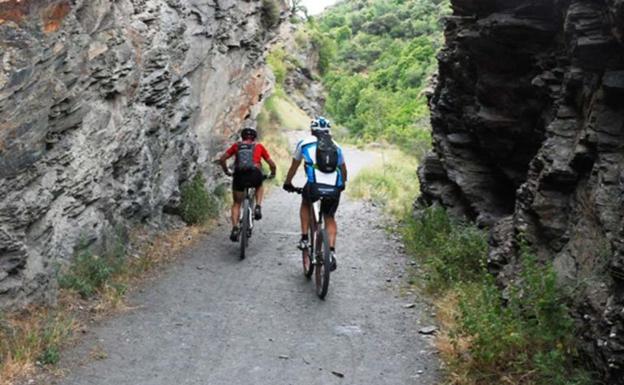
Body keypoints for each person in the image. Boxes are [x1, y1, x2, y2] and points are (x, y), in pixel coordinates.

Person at [282, 117, 347, 271]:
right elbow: (344, 170)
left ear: (312, 130)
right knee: (329, 217)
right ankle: (331, 252)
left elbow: (294, 167)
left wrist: (288, 182)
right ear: (328, 131)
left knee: (306, 202)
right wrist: (342, 184)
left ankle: (305, 238)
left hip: (314, 186)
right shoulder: (336, 146)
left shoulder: (304, 143)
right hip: (334, 187)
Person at [219, 127, 276, 242]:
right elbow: (271, 164)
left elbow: (222, 159)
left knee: (236, 203)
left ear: (242, 137)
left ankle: (235, 228)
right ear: (254, 137)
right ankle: (258, 206)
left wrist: (226, 171)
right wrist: (272, 173)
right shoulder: (259, 147)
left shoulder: (236, 146)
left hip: (239, 176)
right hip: (255, 174)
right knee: (259, 185)